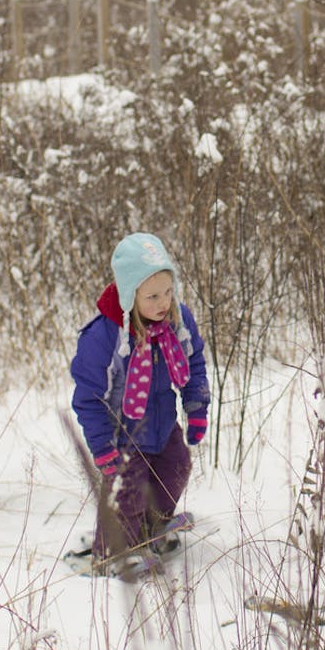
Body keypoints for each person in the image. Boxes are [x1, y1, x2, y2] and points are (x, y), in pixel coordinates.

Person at [68, 233, 212, 572]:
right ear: (129, 295)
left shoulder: (177, 320)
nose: (163, 302)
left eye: (168, 291)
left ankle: (149, 529)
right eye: (152, 296)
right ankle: (115, 549)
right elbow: (88, 398)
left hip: (163, 424)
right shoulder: (104, 336)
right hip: (122, 433)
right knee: (127, 491)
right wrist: (103, 447)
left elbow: (194, 363)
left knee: (176, 469)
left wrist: (196, 407)